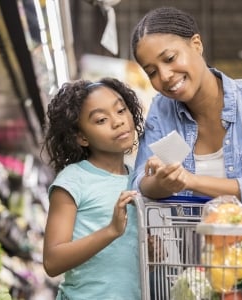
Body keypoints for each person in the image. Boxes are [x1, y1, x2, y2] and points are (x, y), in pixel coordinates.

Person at [129, 6, 242, 206]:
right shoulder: (162, 111)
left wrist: (192, 181)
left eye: (170, 58)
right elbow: (138, 185)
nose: (165, 76)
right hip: (187, 238)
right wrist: (160, 183)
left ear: (196, 45)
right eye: (152, 72)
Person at [42, 77, 145, 299]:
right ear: (81, 137)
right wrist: (111, 231)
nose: (117, 122)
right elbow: (52, 261)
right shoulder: (73, 180)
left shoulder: (138, 178)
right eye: (101, 120)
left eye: (120, 110)